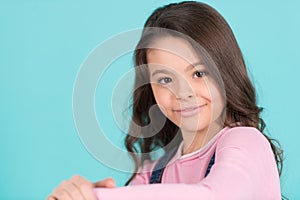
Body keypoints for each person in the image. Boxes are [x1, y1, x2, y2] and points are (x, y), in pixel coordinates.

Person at [47, 1, 284, 199]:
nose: (184, 93)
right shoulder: (151, 175)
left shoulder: (246, 142)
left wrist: (98, 197)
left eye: (198, 73)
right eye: (165, 80)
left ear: (225, 72)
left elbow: (213, 196)